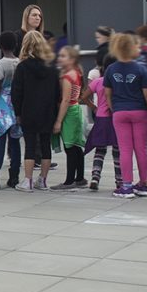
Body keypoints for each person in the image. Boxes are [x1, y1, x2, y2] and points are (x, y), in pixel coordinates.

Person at [101, 32, 147, 198]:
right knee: (141, 149)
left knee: (125, 150)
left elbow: (108, 94)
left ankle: (126, 186)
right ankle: (143, 184)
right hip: (140, 111)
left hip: (120, 112)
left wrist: (114, 109)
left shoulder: (111, 69)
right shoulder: (141, 69)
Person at [13, 31, 62, 191]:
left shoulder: (22, 67)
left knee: (30, 146)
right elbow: (57, 93)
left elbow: (17, 92)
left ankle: (27, 181)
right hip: (48, 111)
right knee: (45, 145)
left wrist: (17, 112)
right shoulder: (52, 67)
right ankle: (43, 180)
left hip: (28, 110)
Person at [0, 30, 25, 189]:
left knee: (0, 141)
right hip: (16, 104)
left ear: (0, 46)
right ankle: (14, 176)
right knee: (15, 141)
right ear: (16, 45)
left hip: (1, 105)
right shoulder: (20, 63)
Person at [55, 45, 88, 189]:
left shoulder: (68, 77)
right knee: (75, 146)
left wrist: (58, 121)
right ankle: (79, 178)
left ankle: (69, 181)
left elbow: (65, 100)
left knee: (69, 147)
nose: (60, 58)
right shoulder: (77, 72)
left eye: (63, 56)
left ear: (72, 59)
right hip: (75, 109)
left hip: (69, 112)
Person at [84, 65, 115, 191]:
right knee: (118, 151)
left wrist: (94, 108)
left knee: (100, 149)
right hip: (115, 117)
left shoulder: (98, 81)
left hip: (101, 117)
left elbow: (84, 96)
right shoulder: (117, 81)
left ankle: (95, 177)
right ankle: (120, 180)